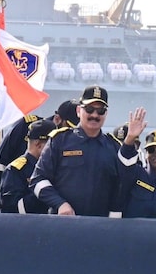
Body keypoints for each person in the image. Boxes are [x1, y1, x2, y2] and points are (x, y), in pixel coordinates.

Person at [30, 85, 123, 217]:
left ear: (106, 114)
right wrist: (60, 204)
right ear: (79, 110)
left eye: (100, 111)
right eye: (89, 109)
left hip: (100, 225)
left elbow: (120, 188)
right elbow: (37, 180)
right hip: (64, 224)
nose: (95, 115)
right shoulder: (59, 141)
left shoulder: (114, 147)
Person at [0, 119, 56, 214]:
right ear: (38, 145)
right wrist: (43, 190)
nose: (57, 149)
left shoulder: (55, 166)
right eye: (52, 145)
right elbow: (12, 209)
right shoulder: (15, 170)